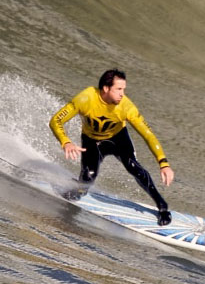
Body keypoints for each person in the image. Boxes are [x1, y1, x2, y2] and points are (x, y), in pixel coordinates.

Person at [49, 69, 175, 226]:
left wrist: (163, 163)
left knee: (134, 167)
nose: (122, 94)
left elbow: (148, 135)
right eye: (119, 89)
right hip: (92, 141)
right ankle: (79, 189)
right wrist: (66, 142)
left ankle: (162, 206)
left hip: (118, 139)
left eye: (124, 89)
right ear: (106, 88)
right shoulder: (85, 99)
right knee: (88, 179)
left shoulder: (127, 108)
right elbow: (56, 120)